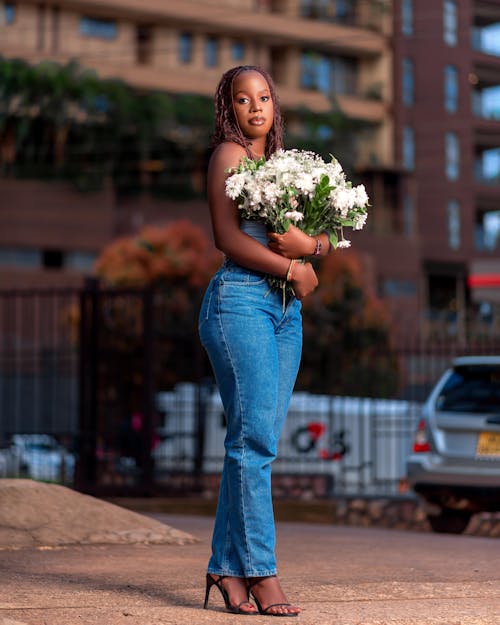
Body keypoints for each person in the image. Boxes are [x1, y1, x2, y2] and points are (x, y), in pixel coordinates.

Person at [199, 65, 331, 617]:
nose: (256, 107)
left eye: (265, 97)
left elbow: (325, 236)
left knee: (255, 443)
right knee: (253, 443)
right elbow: (226, 237)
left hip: (284, 312)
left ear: (275, 105)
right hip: (241, 301)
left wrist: (312, 247)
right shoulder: (229, 157)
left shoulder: (288, 168)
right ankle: (261, 571)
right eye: (242, 99)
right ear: (229, 109)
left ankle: (224, 569)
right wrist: (291, 265)